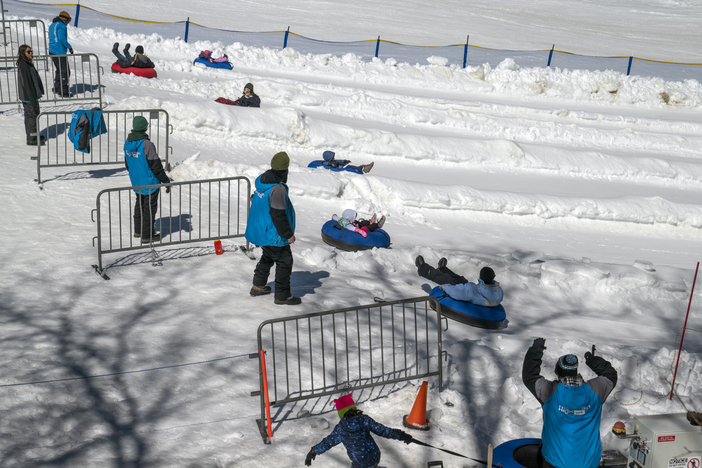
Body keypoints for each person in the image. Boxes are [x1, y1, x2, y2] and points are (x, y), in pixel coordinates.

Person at [522, 339, 618, 468]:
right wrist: (593, 362)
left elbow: (529, 375)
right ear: (576, 372)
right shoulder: (595, 392)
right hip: (588, 463)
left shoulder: (550, 393)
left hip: (555, 463)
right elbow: (610, 375)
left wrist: (537, 349)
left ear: (557, 374)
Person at [245, 152, 300, 305]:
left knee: (268, 256)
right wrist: (288, 234)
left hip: (262, 232)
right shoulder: (278, 188)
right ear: (285, 169)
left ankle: (258, 285)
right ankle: (282, 295)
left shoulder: (263, 181)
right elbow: (278, 214)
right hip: (273, 233)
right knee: (285, 261)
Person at [305, 394, 413, 468]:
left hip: (360, 463)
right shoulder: (364, 419)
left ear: (340, 413)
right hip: (375, 456)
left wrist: (313, 451)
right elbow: (383, 430)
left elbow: (328, 442)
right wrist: (401, 435)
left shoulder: (341, 429)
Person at [124, 116, 171, 243]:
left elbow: (127, 164)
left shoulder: (128, 142)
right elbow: (156, 166)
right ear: (145, 128)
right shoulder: (147, 144)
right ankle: (147, 235)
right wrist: (166, 181)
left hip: (136, 180)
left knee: (139, 204)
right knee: (149, 208)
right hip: (150, 182)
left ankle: (138, 230)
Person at [415, 256, 503, 306]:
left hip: (470, 294)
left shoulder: (471, 291)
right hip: (476, 292)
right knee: (462, 280)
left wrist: (445, 286)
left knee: (447, 279)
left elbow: (456, 292)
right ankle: (442, 269)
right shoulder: (498, 291)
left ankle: (422, 269)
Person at [16, 44, 45, 146]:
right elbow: (26, 84)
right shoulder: (24, 65)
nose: (31, 53)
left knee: (30, 116)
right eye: (28, 51)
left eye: (31, 51)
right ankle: (32, 139)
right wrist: (32, 98)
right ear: (23, 53)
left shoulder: (26, 63)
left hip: (30, 96)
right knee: (32, 116)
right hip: (29, 97)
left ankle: (33, 135)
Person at [48, 10, 73, 98]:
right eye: (68, 20)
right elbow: (62, 38)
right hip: (59, 52)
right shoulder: (62, 26)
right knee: (65, 71)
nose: (68, 23)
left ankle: (57, 87)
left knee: (59, 69)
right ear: (64, 19)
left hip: (52, 51)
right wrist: (69, 47)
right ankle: (63, 91)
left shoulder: (52, 25)